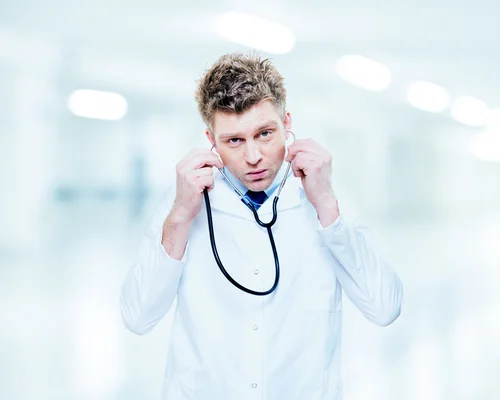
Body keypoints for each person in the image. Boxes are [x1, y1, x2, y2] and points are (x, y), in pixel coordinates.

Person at [120, 51, 403, 400]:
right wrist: (179, 217)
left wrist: (326, 206)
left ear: (287, 123)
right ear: (211, 140)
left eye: (265, 134)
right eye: (234, 141)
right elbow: (138, 316)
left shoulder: (326, 196)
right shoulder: (182, 202)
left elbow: (384, 307)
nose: (253, 156)